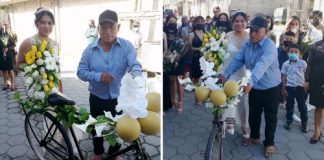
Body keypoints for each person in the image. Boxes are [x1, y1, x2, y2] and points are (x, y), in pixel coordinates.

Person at [77, 9, 142, 160]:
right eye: (103, 27)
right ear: (98, 29)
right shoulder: (90, 50)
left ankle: (114, 153)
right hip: (97, 97)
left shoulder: (127, 47)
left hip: (119, 99)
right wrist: (98, 76)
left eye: (111, 27)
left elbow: (134, 65)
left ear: (118, 28)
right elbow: (80, 72)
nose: (107, 31)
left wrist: (136, 77)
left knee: (118, 128)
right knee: (97, 127)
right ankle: (98, 152)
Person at [219, 16, 281, 157]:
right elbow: (238, 60)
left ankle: (269, 143)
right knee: (254, 114)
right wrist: (225, 74)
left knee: (270, 116)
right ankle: (255, 136)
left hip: (271, 87)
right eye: (252, 30)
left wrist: (250, 82)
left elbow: (261, 65)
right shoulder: (248, 44)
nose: (253, 34)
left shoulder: (270, 46)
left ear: (265, 31)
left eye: (257, 31)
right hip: (254, 87)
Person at [17, 8, 63, 92]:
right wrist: (35, 69)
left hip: (53, 86)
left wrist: (60, 88)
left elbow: (57, 68)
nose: (47, 26)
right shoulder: (28, 42)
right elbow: (18, 64)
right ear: (36, 23)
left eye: (50, 23)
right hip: (36, 86)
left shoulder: (55, 44)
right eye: (42, 22)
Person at [224, 11, 250, 145]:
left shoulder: (251, 36)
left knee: (243, 104)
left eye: (242, 21)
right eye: (236, 21)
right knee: (230, 101)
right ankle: (230, 124)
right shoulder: (227, 36)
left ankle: (245, 130)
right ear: (232, 22)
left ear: (246, 22)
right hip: (231, 73)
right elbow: (223, 55)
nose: (239, 23)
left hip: (246, 74)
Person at [281, 44, 308, 132]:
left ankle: (304, 123)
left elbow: (306, 75)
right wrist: (284, 89)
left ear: (300, 54)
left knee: (302, 106)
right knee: (289, 105)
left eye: (296, 52)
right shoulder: (285, 64)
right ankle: (289, 121)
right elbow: (284, 77)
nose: (293, 53)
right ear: (288, 53)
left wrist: (306, 85)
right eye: (291, 51)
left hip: (300, 88)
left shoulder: (303, 63)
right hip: (290, 87)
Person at [163, 15, 185, 113]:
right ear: (167, 23)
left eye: (174, 21)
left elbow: (186, 45)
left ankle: (180, 101)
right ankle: (173, 99)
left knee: (179, 81)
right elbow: (165, 48)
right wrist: (167, 57)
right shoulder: (164, 33)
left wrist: (179, 56)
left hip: (179, 59)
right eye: (170, 21)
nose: (172, 23)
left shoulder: (180, 32)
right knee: (171, 80)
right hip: (168, 60)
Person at [305, 37, 324, 144]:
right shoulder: (316, 45)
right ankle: (317, 131)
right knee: (319, 106)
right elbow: (310, 64)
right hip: (316, 80)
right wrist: (307, 80)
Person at [189, 16, 205, 105]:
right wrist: (199, 49)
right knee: (196, 79)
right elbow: (190, 48)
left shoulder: (206, 34)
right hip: (195, 58)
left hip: (205, 59)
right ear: (194, 23)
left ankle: (202, 96)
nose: (200, 23)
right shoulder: (191, 34)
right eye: (198, 21)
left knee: (204, 79)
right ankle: (197, 98)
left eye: (202, 21)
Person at [0, 23, 15, 91]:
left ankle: (12, 84)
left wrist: (7, 48)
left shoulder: (9, 34)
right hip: (0, 54)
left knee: (10, 69)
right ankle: (6, 84)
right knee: (3, 70)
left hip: (8, 54)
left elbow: (13, 44)